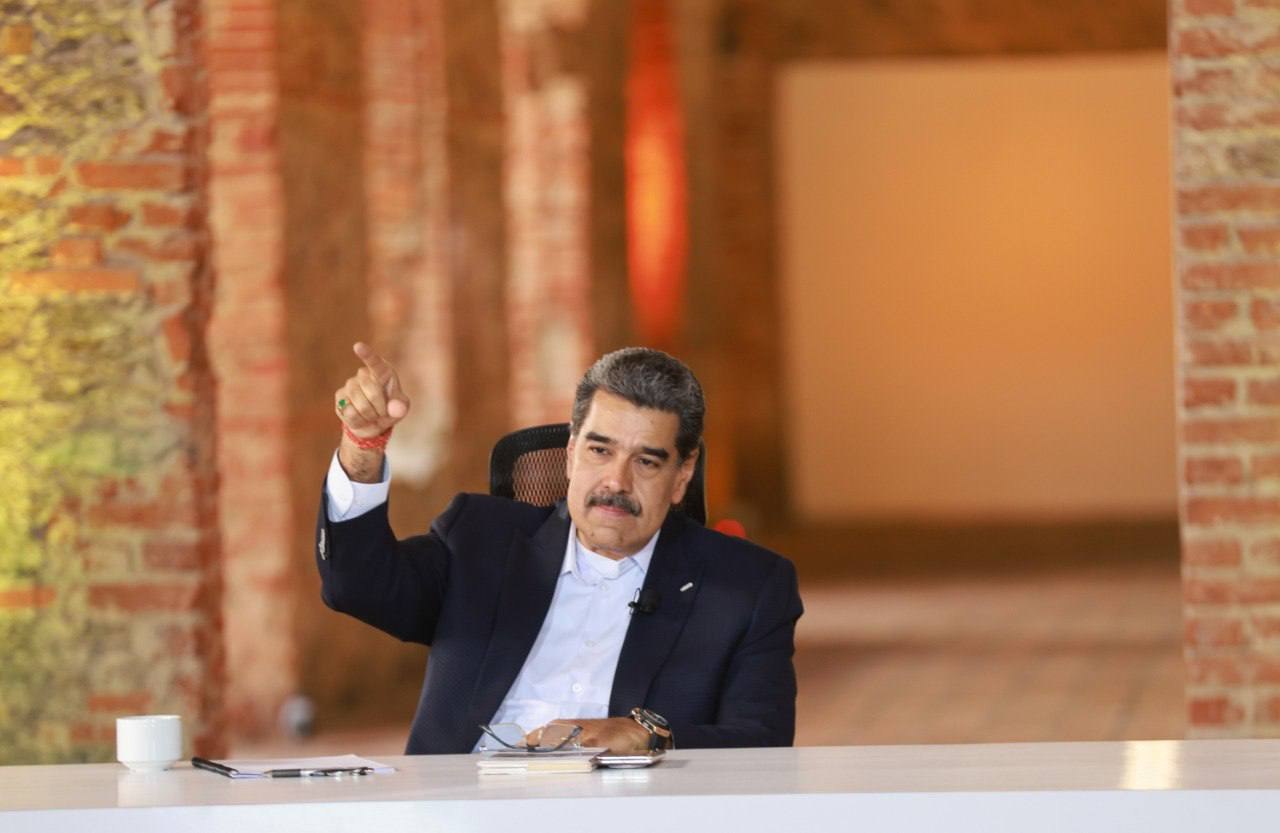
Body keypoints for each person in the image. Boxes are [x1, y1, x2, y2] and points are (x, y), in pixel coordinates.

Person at [318, 342, 803, 754]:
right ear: (571, 454)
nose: (616, 481)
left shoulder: (748, 588)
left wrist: (649, 736)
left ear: (682, 475)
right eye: (600, 450)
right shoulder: (479, 541)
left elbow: (763, 742)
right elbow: (356, 585)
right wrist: (363, 448)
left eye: (647, 462)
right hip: (465, 809)